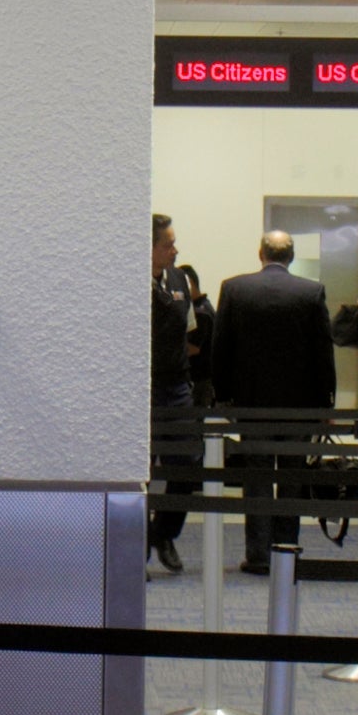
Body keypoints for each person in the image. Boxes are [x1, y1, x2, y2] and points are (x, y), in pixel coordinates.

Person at [207, 229, 332, 577]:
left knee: (257, 476)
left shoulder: (234, 289)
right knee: (291, 476)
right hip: (299, 406)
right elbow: (324, 352)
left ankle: (258, 553)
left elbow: (221, 347)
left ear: (260, 253)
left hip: (251, 403)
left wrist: (224, 395)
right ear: (290, 257)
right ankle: (285, 550)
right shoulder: (311, 292)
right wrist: (326, 404)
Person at [147, 214, 200, 575]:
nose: (175, 249)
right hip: (142, 389)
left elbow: (191, 331)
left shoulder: (179, 278)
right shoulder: (126, 281)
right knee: (141, 472)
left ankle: (162, 532)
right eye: (167, 244)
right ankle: (135, 550)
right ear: (147, 247)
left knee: (187, 464)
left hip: (177, 386)